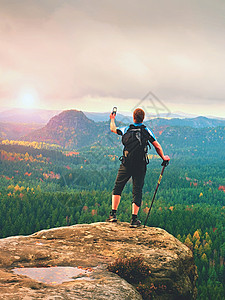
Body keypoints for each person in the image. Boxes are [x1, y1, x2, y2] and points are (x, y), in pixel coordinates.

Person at [107, 108, 170, 227]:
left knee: (118, 186)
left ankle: (113, 214)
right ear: (143, 118)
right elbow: (156, 145)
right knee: (137, 190)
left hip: (126, 163)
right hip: (140, 165)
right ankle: (134, 219)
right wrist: (163, 157)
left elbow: (112, 129)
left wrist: (112, 119)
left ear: (133, 117)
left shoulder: (126, 129)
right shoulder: (146, 131)